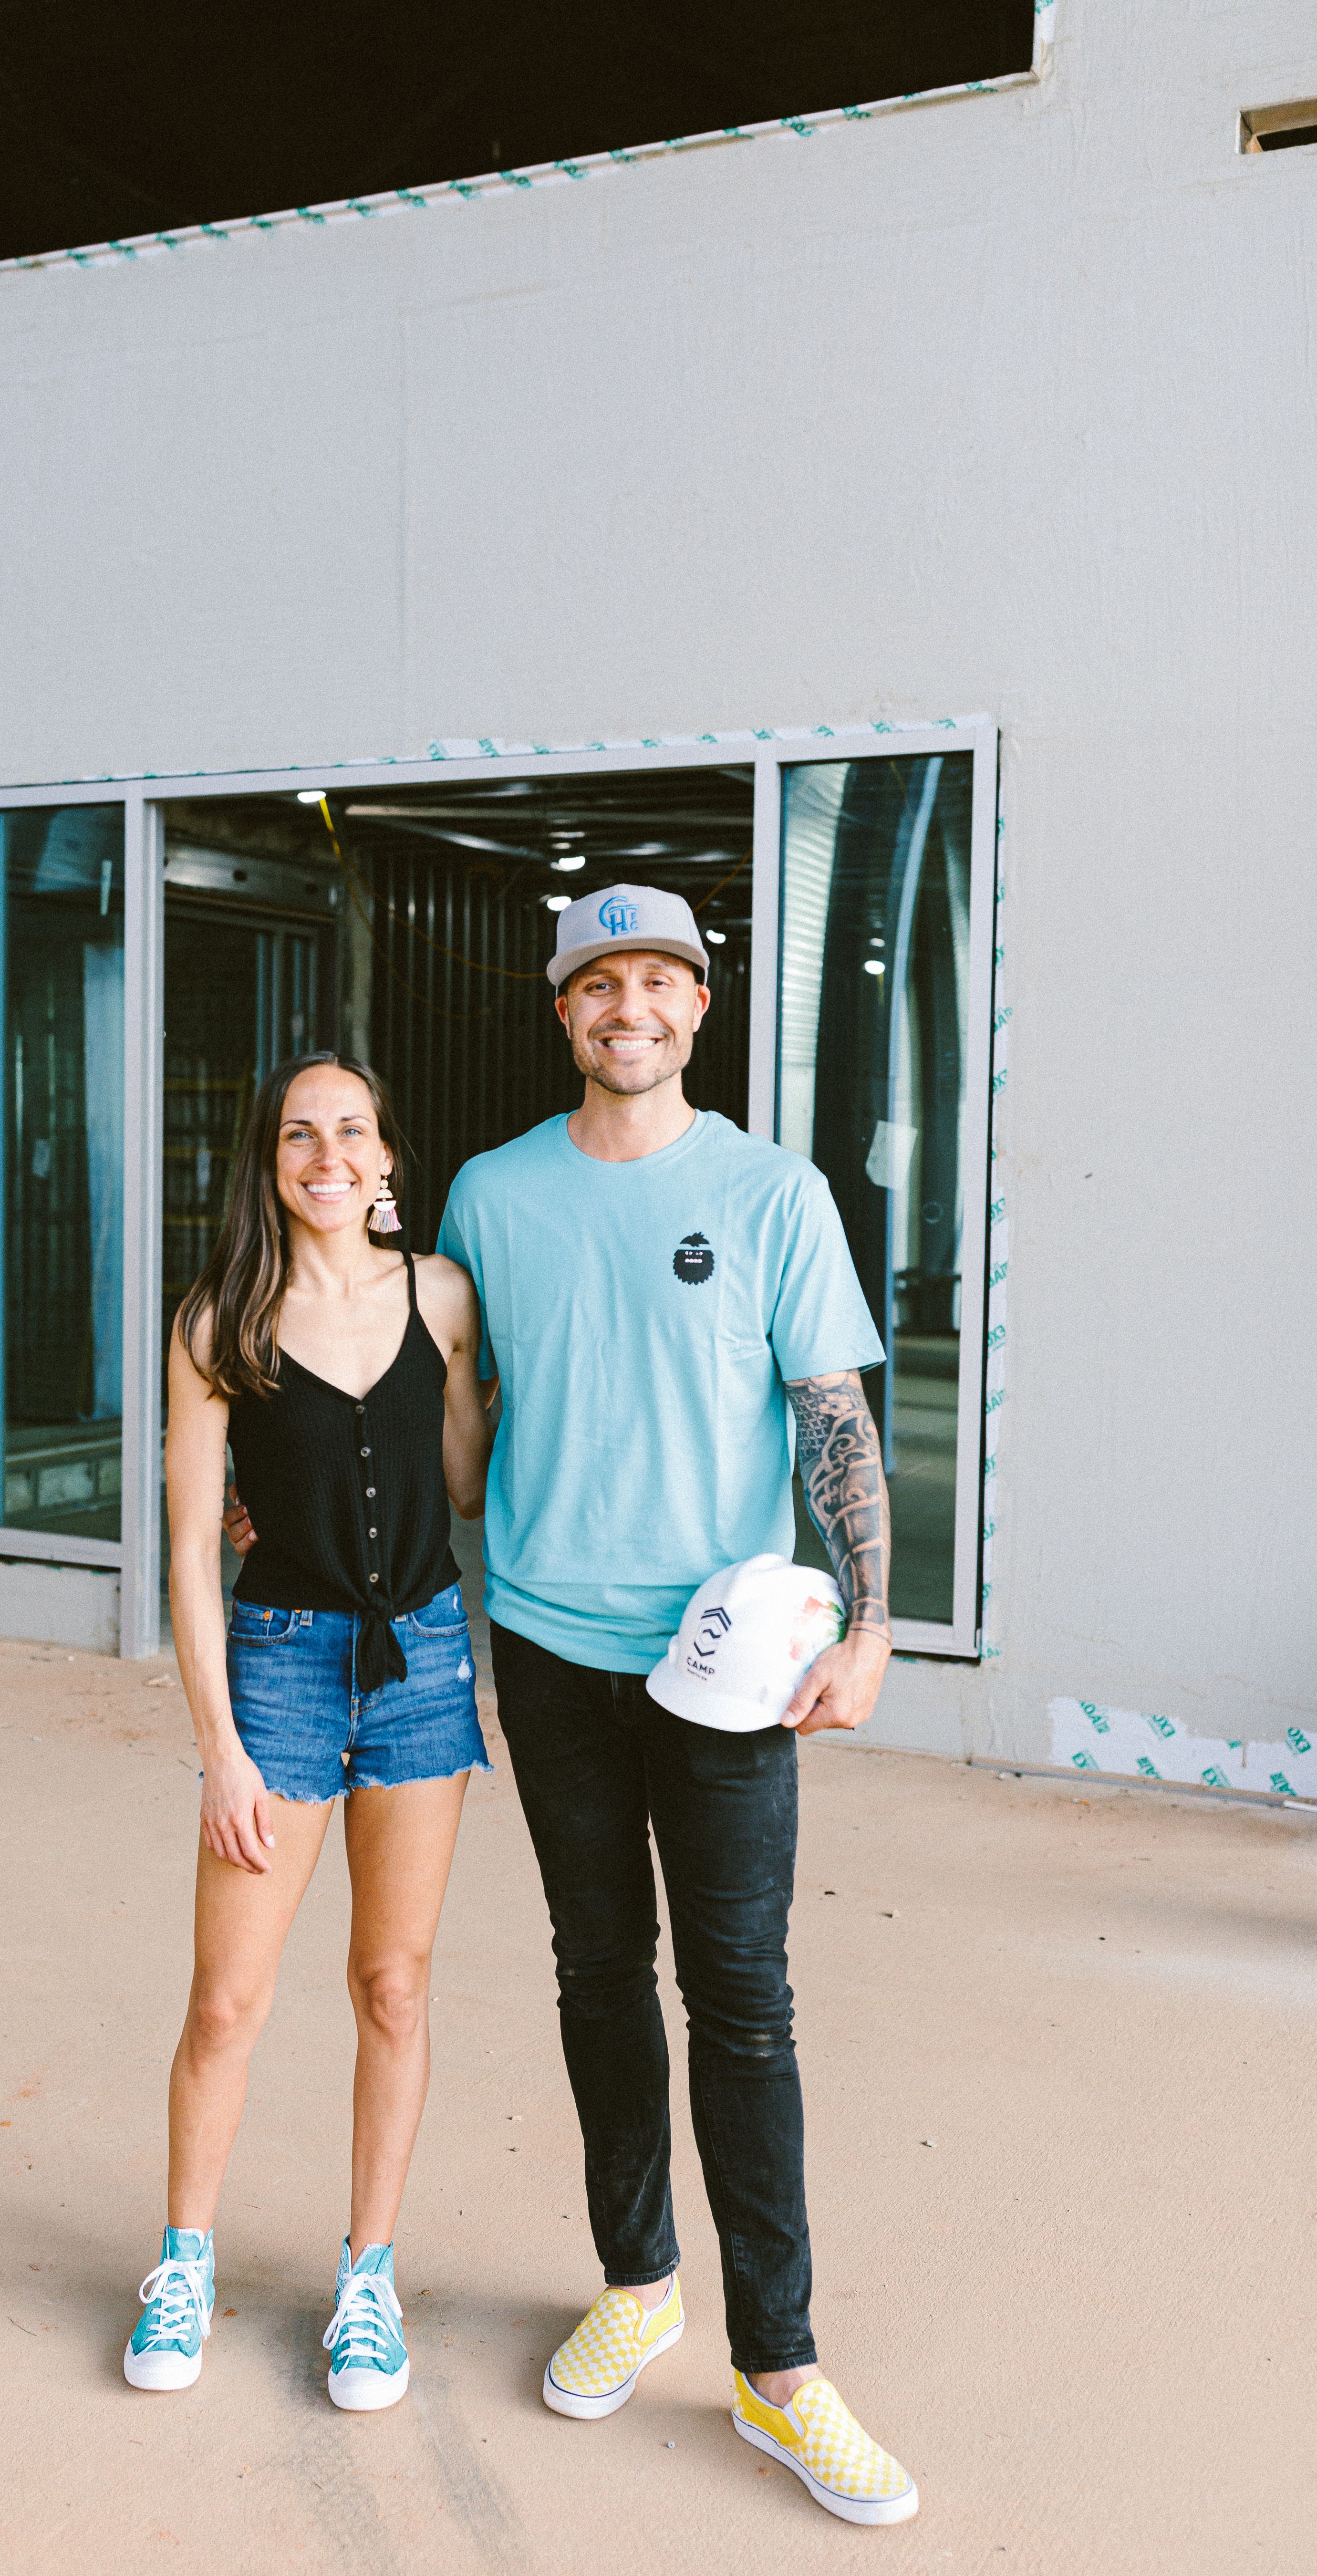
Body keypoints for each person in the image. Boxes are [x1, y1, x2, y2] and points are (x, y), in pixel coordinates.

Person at [433, 884, 920, 2528]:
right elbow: (450, 1402)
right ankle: (637, 2279)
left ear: (700, 1008)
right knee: (593, 1971)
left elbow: (832, 1412)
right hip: (550, 1646)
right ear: (561, 1011)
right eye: (597, 983)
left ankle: (779, 2367)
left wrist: (869, 1620)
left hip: (727, 1667)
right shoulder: (492, 1195)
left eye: (658, 981)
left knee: (744, 2000)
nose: (627, 1007)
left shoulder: (774, 1194)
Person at [125, 1052, 493, 2412]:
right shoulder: (221, 1318)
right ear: (269, 1160)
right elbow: (185, 1551)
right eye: (299, 1134)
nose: (327, 1153)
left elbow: (459, 1482)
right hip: (277, 1672)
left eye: (352, 1132)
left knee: (392, 1987)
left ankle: (369, 2282)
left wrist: (463, 1403)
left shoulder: (442, 1296)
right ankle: (182, 2264)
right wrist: (220, 1743)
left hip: (423, 1670)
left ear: (388, 1157)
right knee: (227, 2001)